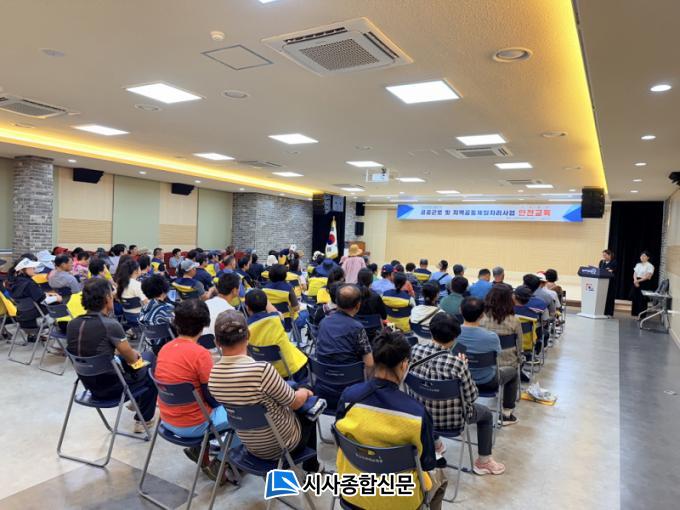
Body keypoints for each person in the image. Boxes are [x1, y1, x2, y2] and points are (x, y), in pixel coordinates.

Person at [335, 328, 446, 510]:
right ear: (404, 365)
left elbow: (339, 439)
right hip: (400, 501)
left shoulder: (349, 397)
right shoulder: (416, 413)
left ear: (374, 359)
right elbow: (427, 463)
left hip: (352, 492)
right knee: (440, 477)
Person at [208, 310, 322, 472]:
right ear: (248, 335)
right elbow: (295, 403)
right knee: (310, 405)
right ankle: (312, 467)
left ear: (216, 341)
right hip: (283, 444)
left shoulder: (213, 376)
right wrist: (305, 391)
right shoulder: (261, 370)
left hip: (251, 445)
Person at [409, 312, 505, 476]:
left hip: (421, 416)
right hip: (453, 421)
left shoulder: (414, 350)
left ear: (430, 331)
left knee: (429, 399)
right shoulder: (457, 364)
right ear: (455, 338)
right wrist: (464, 367)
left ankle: (436, 444)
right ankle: (484, 461)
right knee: (486, 414)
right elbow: (472, 396)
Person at [66, 278, 157, 433]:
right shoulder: (110, 325)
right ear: (107, 298)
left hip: (89, 386)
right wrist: (135, 356)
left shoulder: (73, 324)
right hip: (112, 388)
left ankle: (137, 400)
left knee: (126, 360)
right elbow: (132, 359)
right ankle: (143, 420)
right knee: (150, 364)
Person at [154, 299, 231, 481]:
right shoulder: (200, 354)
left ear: (176, 323)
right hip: (195, 425)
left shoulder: (165, 349)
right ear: (204, 324)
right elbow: (211, 397)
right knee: (244, 415)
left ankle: (199, 450)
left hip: (167, 420)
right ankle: (221, 462)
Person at [456, 297, 519, 425]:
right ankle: (507, 414)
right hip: (487, 381)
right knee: (513, 373)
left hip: (460, 381)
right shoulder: (491, 337)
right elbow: (497, 356)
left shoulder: (453, 334)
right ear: (482, 315)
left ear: (460, 311)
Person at [315, 284, 374, 408]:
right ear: (358, 305)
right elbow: (369, 364)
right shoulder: (357, 328)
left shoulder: (324, 322)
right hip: (351, 392)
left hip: (323, 387)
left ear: (336, 302)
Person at [245, 289, 309, 382]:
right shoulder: (277, 318)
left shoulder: (246, 328)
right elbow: (276, 311)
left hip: (268, 374)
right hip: (290, 369)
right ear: (266, 304)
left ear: (247, 308)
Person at [9, 258, 61, 335]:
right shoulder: (29, 284)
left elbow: (31, 296)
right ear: (23, 270)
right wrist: (57, 298)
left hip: (22, 322)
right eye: (31, 267)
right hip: (37, 321)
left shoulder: (14, 283)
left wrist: (46, 294)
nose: (34, 268)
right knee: (61, 308)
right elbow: (44, 300)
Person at [479, 285, 523, 371]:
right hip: (508, 365)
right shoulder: (515, 321)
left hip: (484, 364)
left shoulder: (479, 319)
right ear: (509, 301)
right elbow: (520, 346)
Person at [203, 272, 240, 336]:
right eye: (239, 287)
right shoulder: (231, 312)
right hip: (217, 341)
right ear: (234, 290)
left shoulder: (206, 303)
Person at [356, 267, 387, 340]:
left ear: (358, 279)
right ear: (371, 280)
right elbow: (384, 316)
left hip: (355, 329)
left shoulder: (351, 292)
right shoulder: (376, 296)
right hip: (373, 332)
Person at [631, 250, 655, 316]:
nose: (642, 257)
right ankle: (635, 314)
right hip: (636, 281)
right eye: (641, 256)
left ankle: (642, 315)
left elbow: (648, 277)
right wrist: (635, 280)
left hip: (644, 283)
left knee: (642, 299)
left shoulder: (650, 266)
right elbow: (635, 273)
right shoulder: (638, 264)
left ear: (648, 257)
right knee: (635, 297)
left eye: (644, 256)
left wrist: (638, 281)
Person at [598, 249, 617, 316]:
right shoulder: (601, 262)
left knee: (609, 297)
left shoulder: (614, 262)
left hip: (610, 283)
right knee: (602, 297)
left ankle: (609, 313)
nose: (604, 257)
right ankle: (601, 311)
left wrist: (610, 271)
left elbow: (614, 271)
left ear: (609, 255)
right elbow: (599, 270)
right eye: (603, 255)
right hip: (602, 282)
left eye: (605, 255)